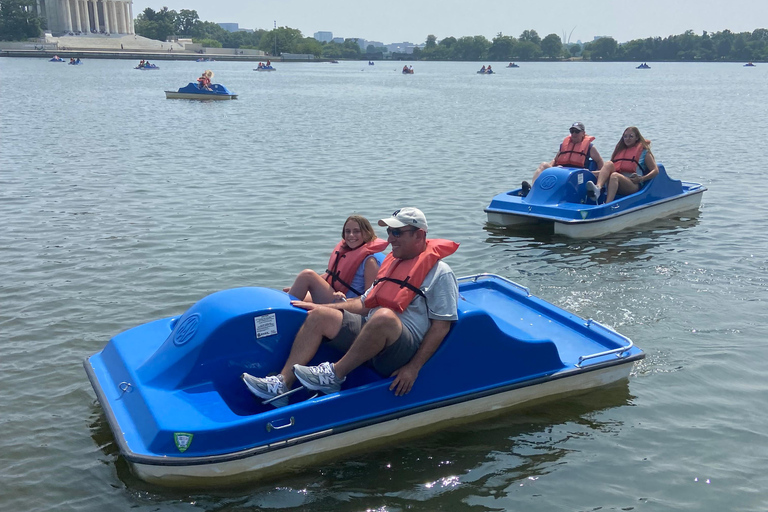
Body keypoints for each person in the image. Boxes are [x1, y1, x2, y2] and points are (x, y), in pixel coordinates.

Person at [242, 207, 459, 406]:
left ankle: (334, 375)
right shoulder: (393, 263)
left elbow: (442, 325)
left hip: (401, 347)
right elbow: (364, 302)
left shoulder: (440, 273)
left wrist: (413, 368)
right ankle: (281, 383)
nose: (390, 239)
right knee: (320, 315)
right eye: (390, 233)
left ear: (419, 234)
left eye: (397, 233)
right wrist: (323, 306)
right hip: (371, 329)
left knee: (383, 316)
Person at [284, 215, 389, 304]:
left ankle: (284, 315)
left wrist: (346, 301)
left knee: (307, 275)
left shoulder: (370, 261)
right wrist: (299, 287)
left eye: (356, 231)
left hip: (345, 301)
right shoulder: (348, 252)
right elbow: (331, 276)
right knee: (289, 294)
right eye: (347, 231)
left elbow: (368, 297)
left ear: (366, 233)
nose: (351, 235)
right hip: (334, 293)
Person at [521, 122, 604, 197]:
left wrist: (597, 174)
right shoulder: (564, 145)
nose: (574, 134)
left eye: (577, 132)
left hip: (578, 174)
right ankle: (532, 190)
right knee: (543, 165)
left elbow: (599, 161)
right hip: (562, 171)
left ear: (583, 133)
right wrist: (549, 168)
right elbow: (555, 159)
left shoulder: (590, 147)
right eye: (572, 131)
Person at [587, 126, 659, 204]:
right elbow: (606, 172)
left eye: (631, 136)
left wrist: (642, 178)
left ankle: (608, 204)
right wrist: (590, 173)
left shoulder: (644, 153)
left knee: (615, 176)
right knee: (608, 164)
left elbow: (655, 170)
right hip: (616, 182)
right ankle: (598, 188)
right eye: (625, 136)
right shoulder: (619, 151)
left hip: (632, 184)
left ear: (637, 138)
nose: (627, 139)